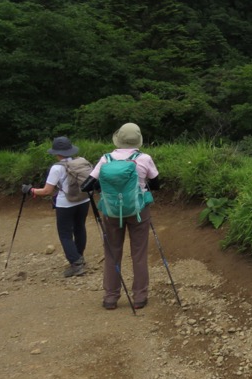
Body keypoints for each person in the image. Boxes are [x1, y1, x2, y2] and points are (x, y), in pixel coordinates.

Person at [82, 123, 160, 310]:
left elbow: (87, 185)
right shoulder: (144, 158)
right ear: (138, 139)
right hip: (138, 210)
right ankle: (140, 297)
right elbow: (156, 184)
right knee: (139, 253)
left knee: (112, 253)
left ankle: (110, 297)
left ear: (119, 139)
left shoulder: (106, 159)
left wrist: (103, 188)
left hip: (111, 212)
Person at [27, 136, 91, 277]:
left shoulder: (57, 168)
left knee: (65, 234)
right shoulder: (80, 162)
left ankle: (76, 263)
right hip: (83, 201)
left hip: (66, 204)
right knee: (80, 228)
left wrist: (30, 190)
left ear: (57, 153)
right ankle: (79, 257)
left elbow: (46, 191)